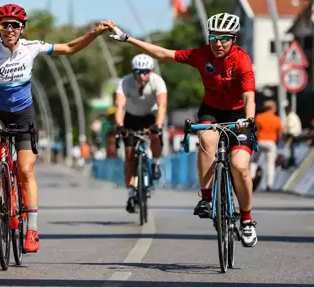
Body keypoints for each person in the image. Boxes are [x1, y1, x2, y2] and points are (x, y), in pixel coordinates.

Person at [0, 3, 113, 253]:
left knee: (26, 170)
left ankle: (33, 230)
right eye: (5, 25)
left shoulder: (32, 48)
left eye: (15, 25)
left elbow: (68, 48)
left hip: (24, 114)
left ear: (22, 28)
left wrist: (94, 33)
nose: (10, 29)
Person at [109, 12, 258, 248]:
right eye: (213, 38)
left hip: (239, 115)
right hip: (211, 111)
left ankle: (247, 221)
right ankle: (207, 199)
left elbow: (249, 95)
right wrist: (129, 39)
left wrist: (248, 120)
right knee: (207, 142)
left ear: (234, 39)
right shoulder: (202, 56)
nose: (218, 44)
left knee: (240, 167)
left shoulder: (241, 60)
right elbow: (164, 54)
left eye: (224, 39)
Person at [114, 54, 167, 213]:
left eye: (146, 71)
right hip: (131, 118)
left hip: (150, 116)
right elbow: (119, 105)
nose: (142, 75)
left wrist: (158, 125)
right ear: (133, 71)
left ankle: (156, 163)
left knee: (156, 136)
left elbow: (162, 105)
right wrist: (120, 125)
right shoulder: (125, 82)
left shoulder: (157, 81)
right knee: (129, 155)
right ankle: (131, 194)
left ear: (150, 71)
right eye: (138, 71)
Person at [251, 100, 282, 191]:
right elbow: (279, 132)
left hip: (260, 140)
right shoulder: (276, 118)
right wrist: (277, 141)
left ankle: (251, 176)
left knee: (254, 160)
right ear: (272, 108)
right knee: (270, 164)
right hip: (271, 142)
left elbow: (255, 130)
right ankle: (269, 184)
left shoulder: (259, 117)